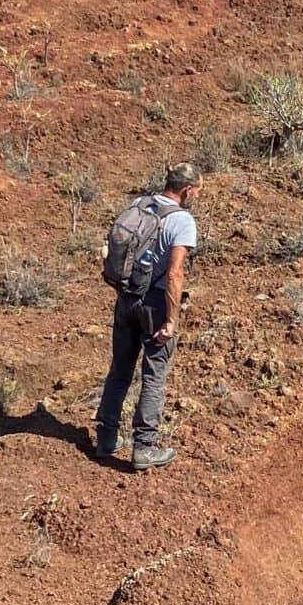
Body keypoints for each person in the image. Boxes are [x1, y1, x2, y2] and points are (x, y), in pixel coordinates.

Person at [95, 164, 199, 469]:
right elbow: (175, 274)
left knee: (120, 370)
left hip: (125, 298)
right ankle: (145, 446)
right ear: (187, 190)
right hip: (154, 304)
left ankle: (106, 437)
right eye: (197, 191)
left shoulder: (138, 204)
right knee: (154, 375)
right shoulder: (181, 220)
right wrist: (171, 320)